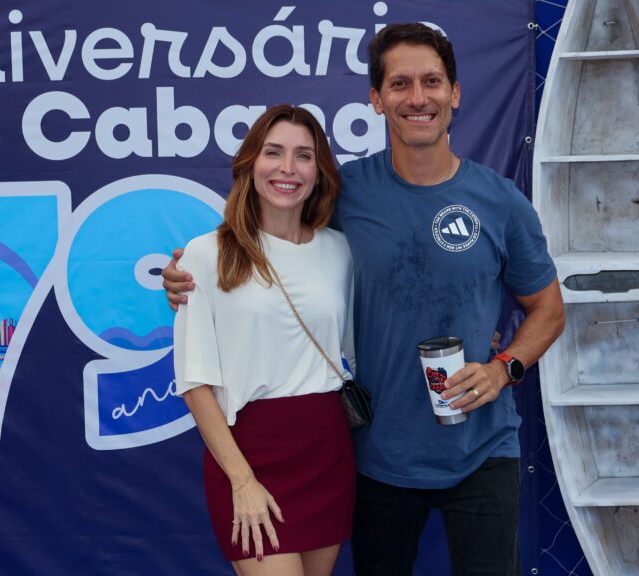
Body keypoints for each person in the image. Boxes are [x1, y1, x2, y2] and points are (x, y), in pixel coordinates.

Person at [165, 24, 565, 576]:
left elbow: (549, 309)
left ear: (455, 93)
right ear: (376, 99)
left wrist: (504, 368)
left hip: (482, 449)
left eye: (432, 82)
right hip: (377, 456)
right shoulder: (344, 195)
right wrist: (189, 277)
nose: (417, 98)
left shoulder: (502, 201)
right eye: (400, 84)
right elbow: (273, 242)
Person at [173, 104, 356, 576]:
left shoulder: (340, 250)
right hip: (248, 455)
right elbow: (195, 383)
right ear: (250, 164)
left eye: (303, 156)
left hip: (326, 450)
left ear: (319, 171)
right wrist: (242, 480)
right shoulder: (206, 254)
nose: (287, 168)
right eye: (273, 153)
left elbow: (358, 346)